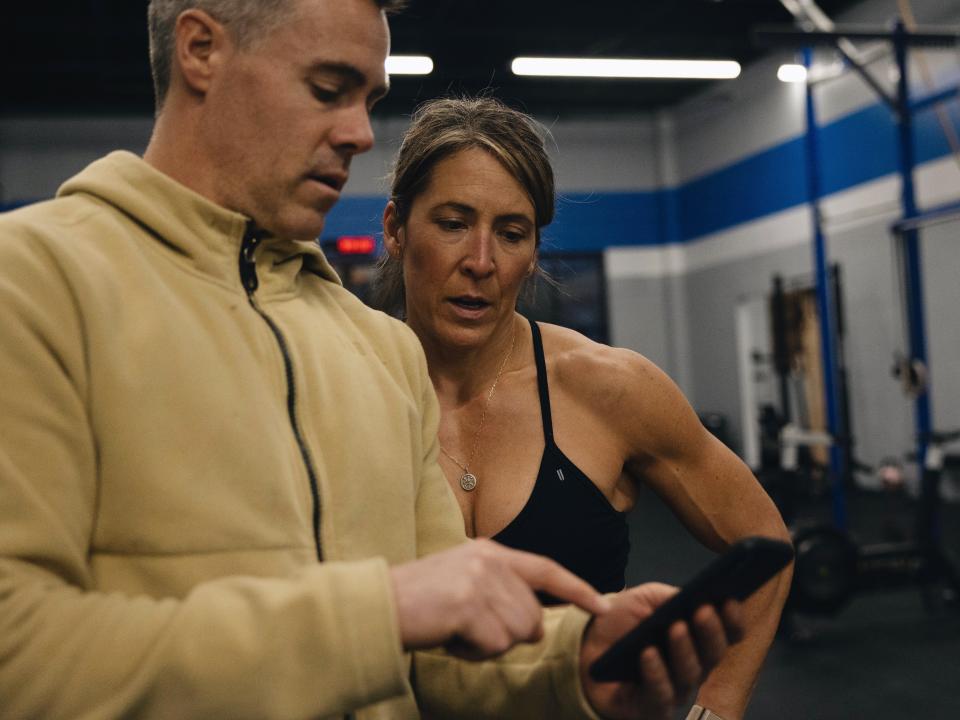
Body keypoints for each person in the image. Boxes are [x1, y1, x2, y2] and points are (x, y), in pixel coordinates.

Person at [0, 2, 744, 719]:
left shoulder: (379, 351)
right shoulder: (34, 283)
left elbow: (438, 651)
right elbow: (18, 660)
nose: (360, 133)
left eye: (369, 98)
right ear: (201, 51)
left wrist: (571, 662)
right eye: (328, 90)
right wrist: (376, 616)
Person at [376, 96, 793, 720]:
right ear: (396, 229)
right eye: (454, 222)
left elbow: (763, 543)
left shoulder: (606, 388)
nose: (482, 261)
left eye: (512, 234)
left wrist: (717, 708)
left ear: (534, 252)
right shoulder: (351, 388)